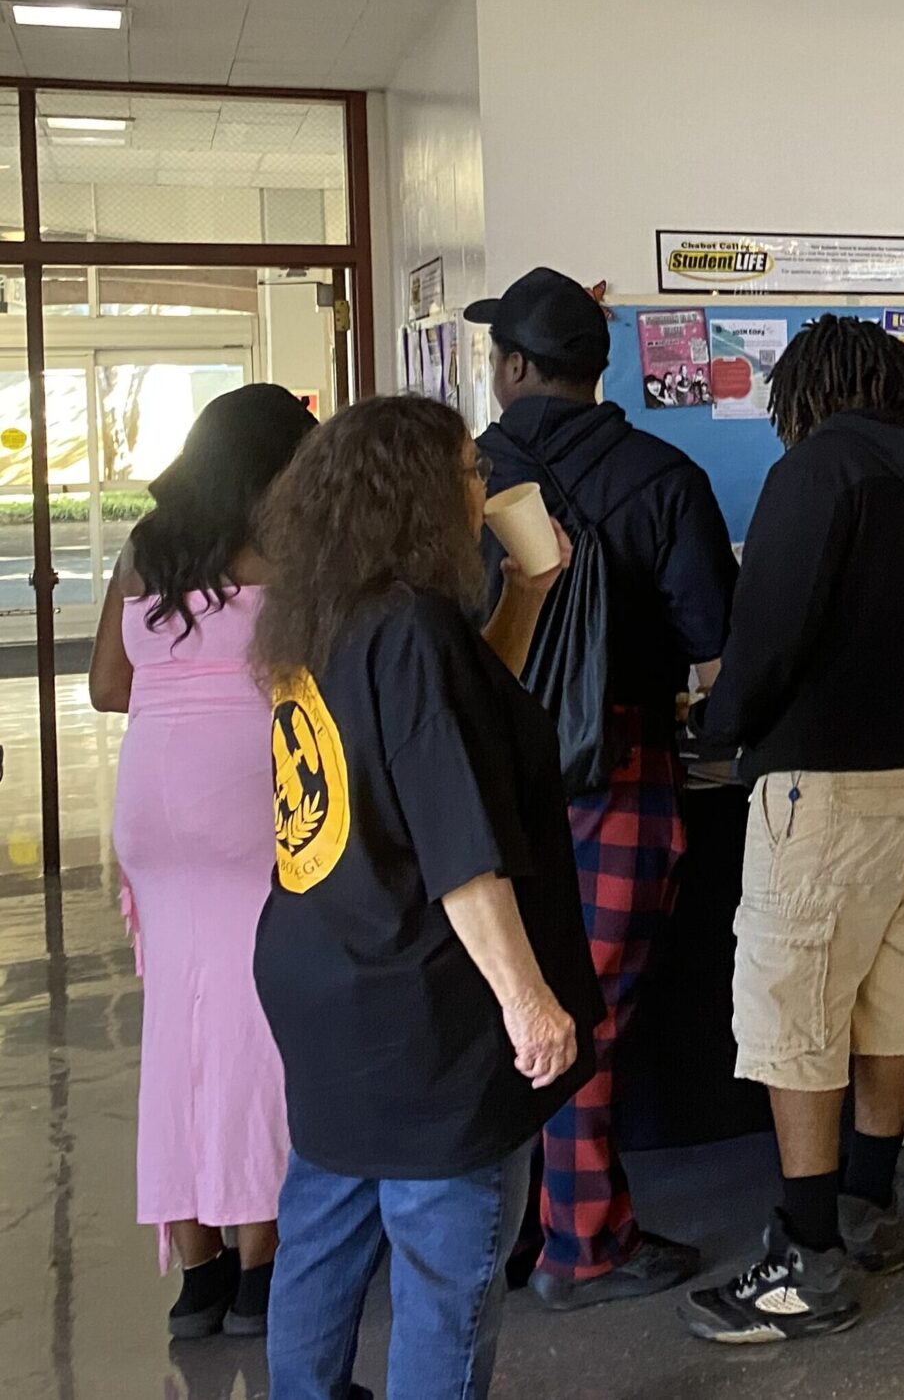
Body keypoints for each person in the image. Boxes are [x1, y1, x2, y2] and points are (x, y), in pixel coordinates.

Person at [254, 395, 600, 1400]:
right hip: (423, 1004)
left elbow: (450, 717)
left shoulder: (323, 613)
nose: (480, 487)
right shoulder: (410, 627)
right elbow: (460, 849)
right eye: (465, 469)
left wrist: (529, 592)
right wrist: (529, 1004)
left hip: (324, 975)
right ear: (416, 492)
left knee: (323, 1231)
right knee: (445, 1269)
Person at [683, 315, 904, 1345]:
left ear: (805, 393)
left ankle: (802, 1260)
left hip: (825, 779)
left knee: (794, 996)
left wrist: (719, 727)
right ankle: (866, 1203)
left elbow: (766, 634)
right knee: (888, 975)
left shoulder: (816, 475)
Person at [467, 266, 736, 1307]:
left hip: (479, 776)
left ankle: (511, 1233)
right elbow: (716, 640)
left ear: (515, 367)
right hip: (619, 769)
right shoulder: (664, 475)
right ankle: (580, 1242)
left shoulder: (462, 480)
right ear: (593, 370)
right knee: (592, 1011)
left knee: (499, 1000)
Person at [92, 383, 315, 1339]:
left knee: (177, 1028)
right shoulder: (286, 552)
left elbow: (109, 684)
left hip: (151, 808)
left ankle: (197, 1274)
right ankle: (262, 1266)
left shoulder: (146, 547)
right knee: (254, 1025)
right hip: (246, 805)